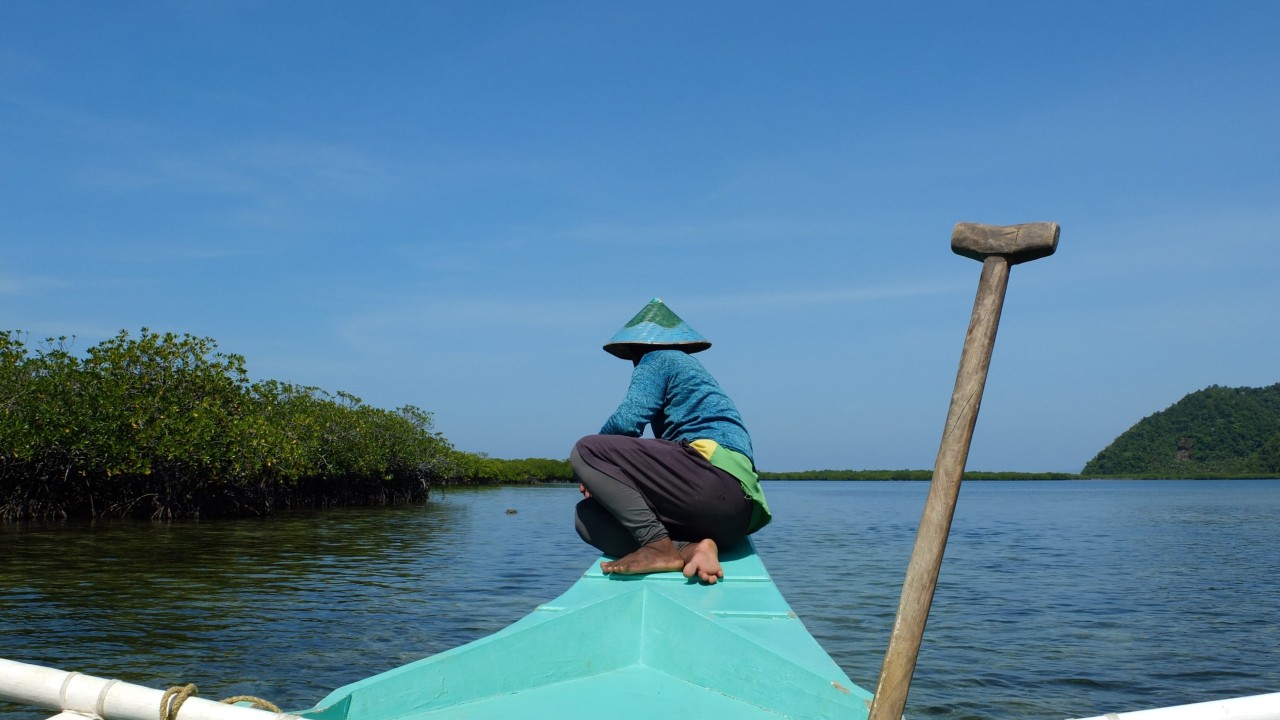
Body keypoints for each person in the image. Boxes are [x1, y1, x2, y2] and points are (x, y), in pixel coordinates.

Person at [571, 298, 771, 584]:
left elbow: (627, 422)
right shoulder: (690, 369)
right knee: (587, 517)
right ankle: (693, 549)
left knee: (586, 449)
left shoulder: (659, 358)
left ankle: (656, 545)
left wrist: (591, 469)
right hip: (735, 519)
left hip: (711, 479)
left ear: (636, 350)